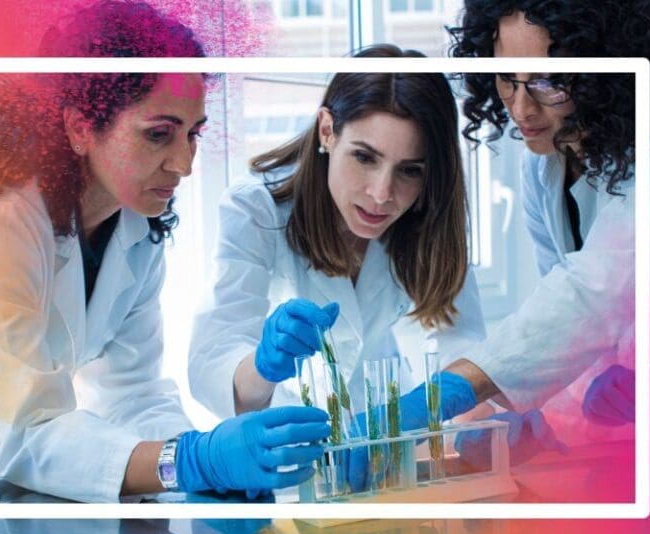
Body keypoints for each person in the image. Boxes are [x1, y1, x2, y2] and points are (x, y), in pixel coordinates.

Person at [0, 0, 329, 504]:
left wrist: (196, 458)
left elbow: (132, 391)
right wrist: (187, 464)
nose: (184, 164)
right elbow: (20, 429)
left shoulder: (135, 224)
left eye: (193, 134)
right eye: (158, 134)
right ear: (79, 127)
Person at [388, 0, 650, 447]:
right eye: (507, 77)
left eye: (546, 81)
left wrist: (446, 393)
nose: (520, 108)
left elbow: (595, 291)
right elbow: (570, 325)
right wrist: (550, 409)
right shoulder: (545, 167)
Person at [188, 44, 486, 422]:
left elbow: (457, 344)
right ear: (327, 131)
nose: (381, 194)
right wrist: (265, 365)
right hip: (287, 445)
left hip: (390, 440)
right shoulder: (257, 210)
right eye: (364, 157)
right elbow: (216, 368)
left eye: (409, 170)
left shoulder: (427, 213)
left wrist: (484, 426)